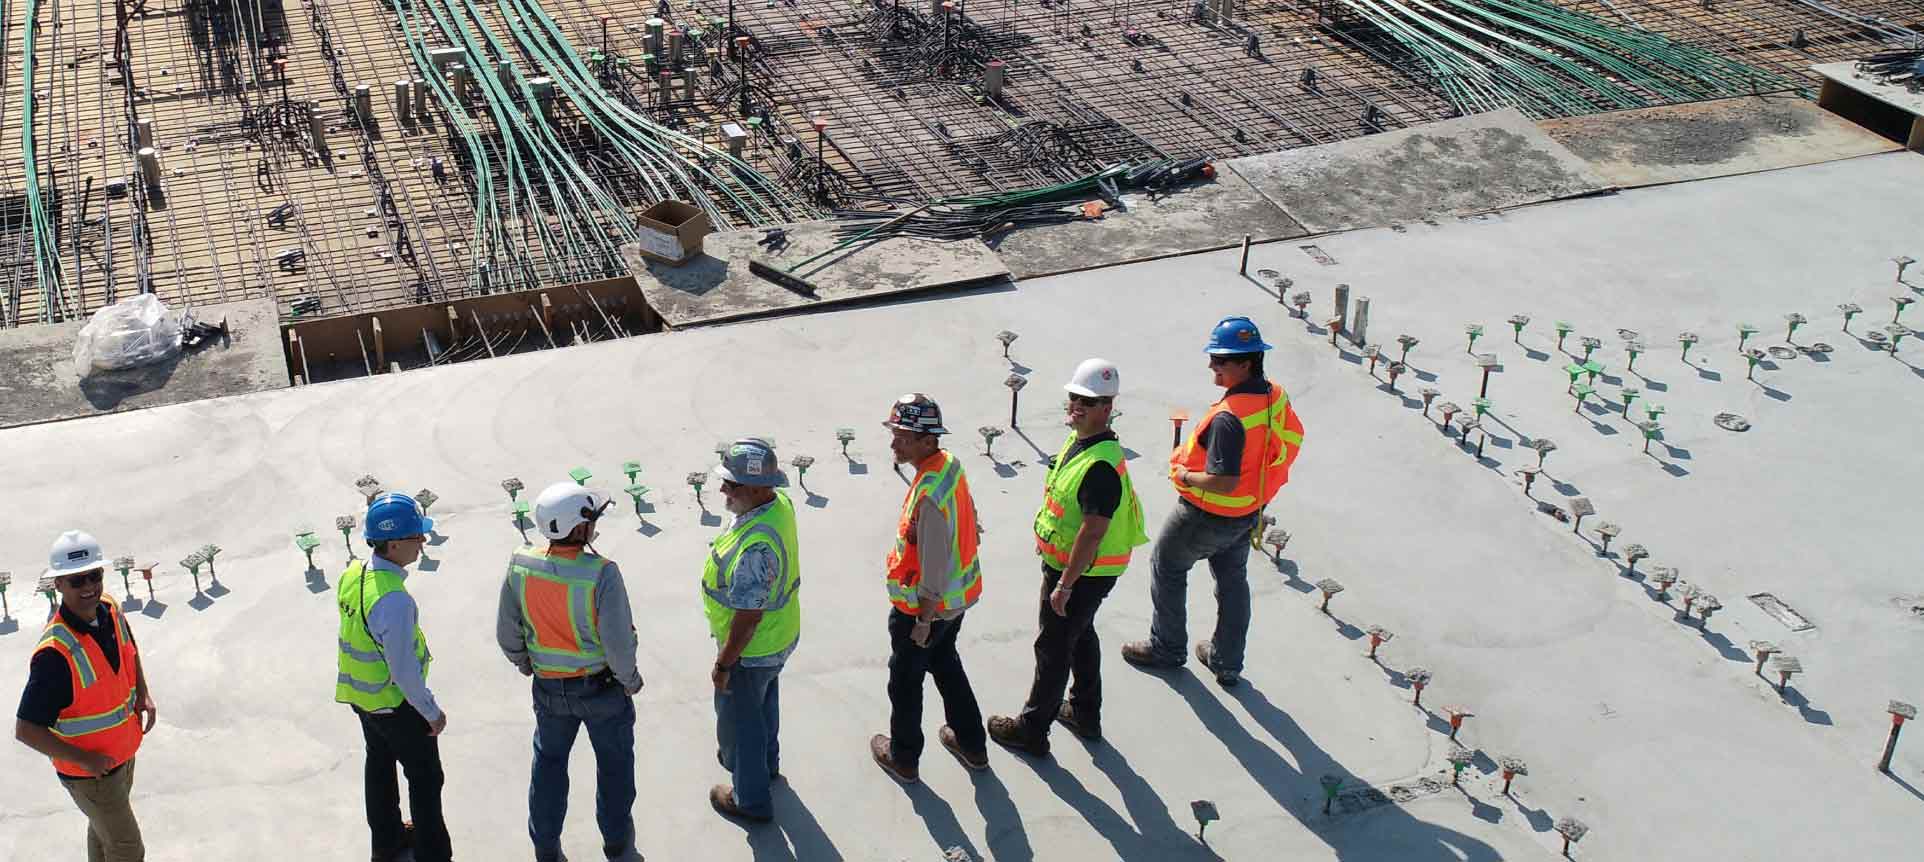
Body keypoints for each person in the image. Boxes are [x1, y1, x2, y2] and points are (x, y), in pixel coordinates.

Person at [1123, 316, 1304, 686]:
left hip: (1207, 515)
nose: (1212, 366)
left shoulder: (1229, 419)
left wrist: (1184, 475)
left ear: (1246, 363)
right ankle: (1227, 661)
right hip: (1249, 510)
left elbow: (1222, 481)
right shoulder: (1274, 396)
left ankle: (1167, 648)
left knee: (1167, 566)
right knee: (1233, 580)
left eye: (1220, 360)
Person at [988, 359, 1149, 756]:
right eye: (1074, 398)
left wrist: (1065, 584)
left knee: (1053, 646)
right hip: (1076, 569)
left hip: (1081, 574)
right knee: (1079, 635)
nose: (1076, 407)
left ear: (1107, 408)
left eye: (1088, 402)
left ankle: (1031, 729)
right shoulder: (1081, 443)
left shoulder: (1099, 466)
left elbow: (1092, 530)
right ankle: (1084, 712)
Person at [498, 482, 645, 862]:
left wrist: (525, 662)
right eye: (591, 520)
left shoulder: (521, 563)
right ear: (578, 528)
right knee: (614, 765)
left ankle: (546, 847)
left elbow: (507, 631)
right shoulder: (602, 573)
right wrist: (630, 680)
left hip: (548, 689)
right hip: (601, 689)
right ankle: (615, 841)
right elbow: (617, 642)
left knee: (548, 766)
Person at [14, 530, 157, 862]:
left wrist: (143, 693)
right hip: (91, 775)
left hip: (122, 754)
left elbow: (129, 649)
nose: (89, 586)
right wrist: (86, 761)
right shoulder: (54, 655)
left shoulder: (109, 608)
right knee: (128, 849)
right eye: (76, 580)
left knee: (103, 831)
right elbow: (27, 729)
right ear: (58, 585)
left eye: (95, 575)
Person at [869, 394, 989, 783]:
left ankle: (904, 758)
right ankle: (972, 744)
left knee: (904, 682)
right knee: (945, 664)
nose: (893, 444)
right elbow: (967, 511)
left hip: (925, 609)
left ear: (927, 441)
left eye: (902, 438)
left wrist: (922, 619)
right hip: (956, 602)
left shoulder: (930, 494)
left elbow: (934, 564)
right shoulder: (948, 466)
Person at [336, 492, 452, 862]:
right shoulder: (394, 601)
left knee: (380, 767)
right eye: (418, 536)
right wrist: (431, 712)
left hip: (363, 699)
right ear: (395, 542)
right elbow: (403, 669)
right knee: (426, 780)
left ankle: (386, 844)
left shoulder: (354, 573)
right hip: (396, 704)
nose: (423, 542)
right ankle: (434, 853)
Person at [703, 438, 802, 823]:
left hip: (753, 649)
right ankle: (767, 766)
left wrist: (724, 665)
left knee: (739, 724)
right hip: (777, 639)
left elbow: (748, 616)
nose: (724, 489)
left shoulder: (756, 548)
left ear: (760, 488)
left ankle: (751, 799)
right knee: (762, 705)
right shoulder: (777, 506)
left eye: (733, 484)